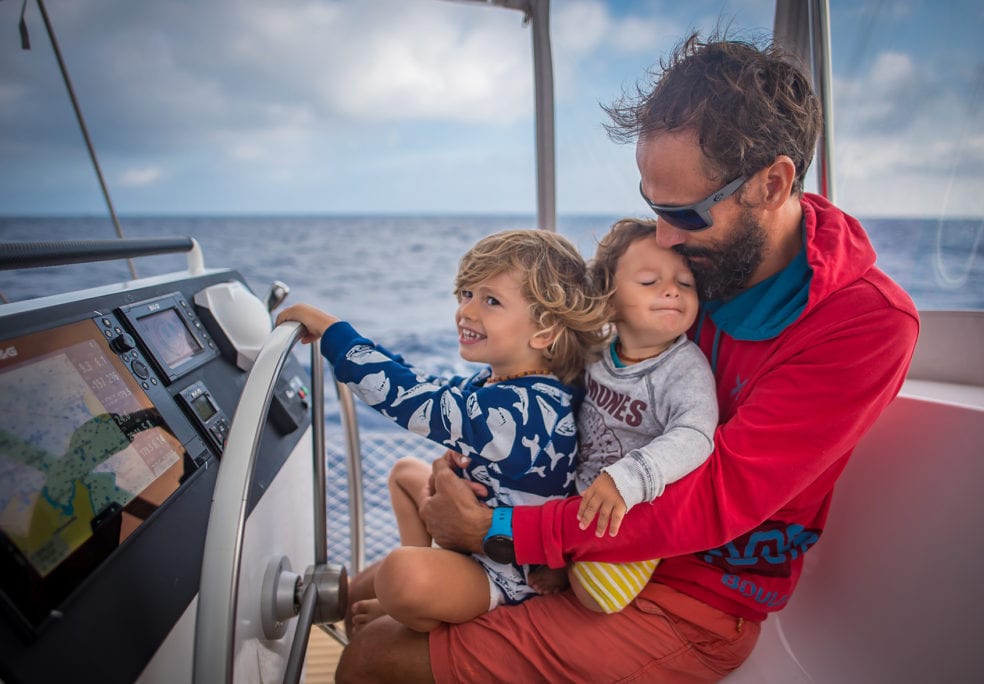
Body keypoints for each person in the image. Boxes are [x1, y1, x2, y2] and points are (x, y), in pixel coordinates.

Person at [337, 33, 919, 683]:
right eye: (652, 208)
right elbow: (585, 376)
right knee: (379, 605)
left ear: (773, 183)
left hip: (694, 599)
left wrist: (503, 530)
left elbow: (717, 496)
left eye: (685, 214)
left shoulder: (862, 324)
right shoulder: (687, 266)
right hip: (581, 538)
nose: (664, 240)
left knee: (374, 657)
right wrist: (491, 455)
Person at [276, 229, 606, 633]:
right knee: (404, 474)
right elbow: (421, 382)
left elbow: (411, 398)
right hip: (472, 546)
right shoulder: (504, 384)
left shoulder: (524, 408)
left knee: (401, 574)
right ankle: (419, 581)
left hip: (506, 574)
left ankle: (411, 602)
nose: (467, 311)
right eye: (466, 293)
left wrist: (332, 331)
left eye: (491, 301)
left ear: (544, 331)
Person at [569, 218, 718, 614]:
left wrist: (629, 478)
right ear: (608, 297)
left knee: (597, 596)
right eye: (650, 281)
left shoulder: (684, 368)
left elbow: (696, 434)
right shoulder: (597, 353)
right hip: (573, 493)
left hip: (629, 513)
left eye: (685, 284)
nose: (672, 290)